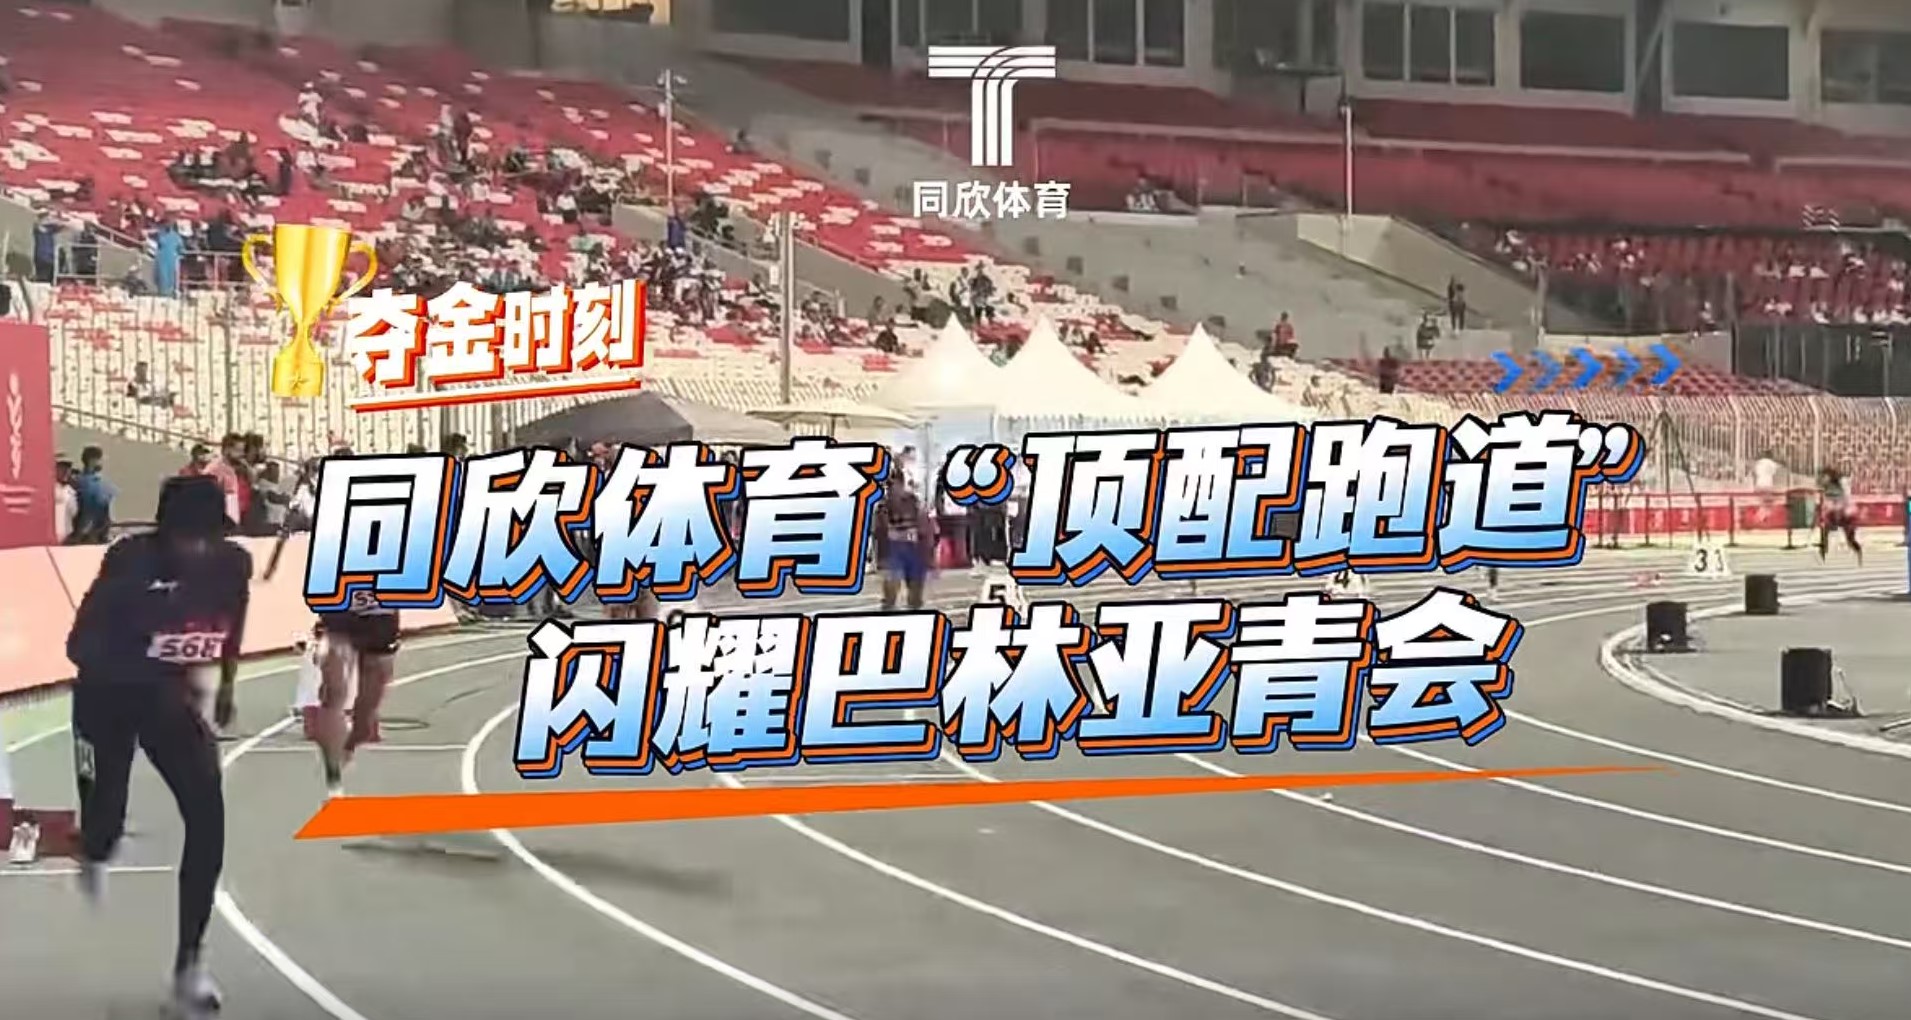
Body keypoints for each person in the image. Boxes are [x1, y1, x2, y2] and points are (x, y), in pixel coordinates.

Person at [67, 475, 249, 1016]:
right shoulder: (129, 561)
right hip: (103, 699)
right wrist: (148, 662)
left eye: (211, 537)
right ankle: (95, 848)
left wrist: (225, 688)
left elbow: (234, 624)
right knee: (104, 821)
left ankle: (189, 965)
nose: (202, 549)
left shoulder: (231, 563)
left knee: (209, 815)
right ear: (166, 532)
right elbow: (78, 645)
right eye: (192, 537)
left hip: (169, 702)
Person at [264, 519, 398, 798]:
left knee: (364, 719)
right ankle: (333, 776)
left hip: (379, 619)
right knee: (334, 692)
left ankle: (348, 748)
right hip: (340, 615)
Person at [875, 477, 935, 610]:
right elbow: (880, 530)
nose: (892, 489)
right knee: (892, 584)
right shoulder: (884, 505)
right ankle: (889, 608)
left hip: (912, 546)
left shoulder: (912, 500)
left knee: (915, 589)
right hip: (895, 546)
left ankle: (912, 609)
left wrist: (927, 548)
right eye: (889, 487)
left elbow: (923, 523)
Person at [1816, 466, 1862, 563]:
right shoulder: (1827, 487)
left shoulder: (1841, 483)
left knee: (1850, 539)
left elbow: (1845, 498)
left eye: (1825, 476)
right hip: (1835, 512)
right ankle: (1823, 550)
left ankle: (1858, 552)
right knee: (1825, 530)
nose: (1823, 479)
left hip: (1844, 512)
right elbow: (1826, 501)